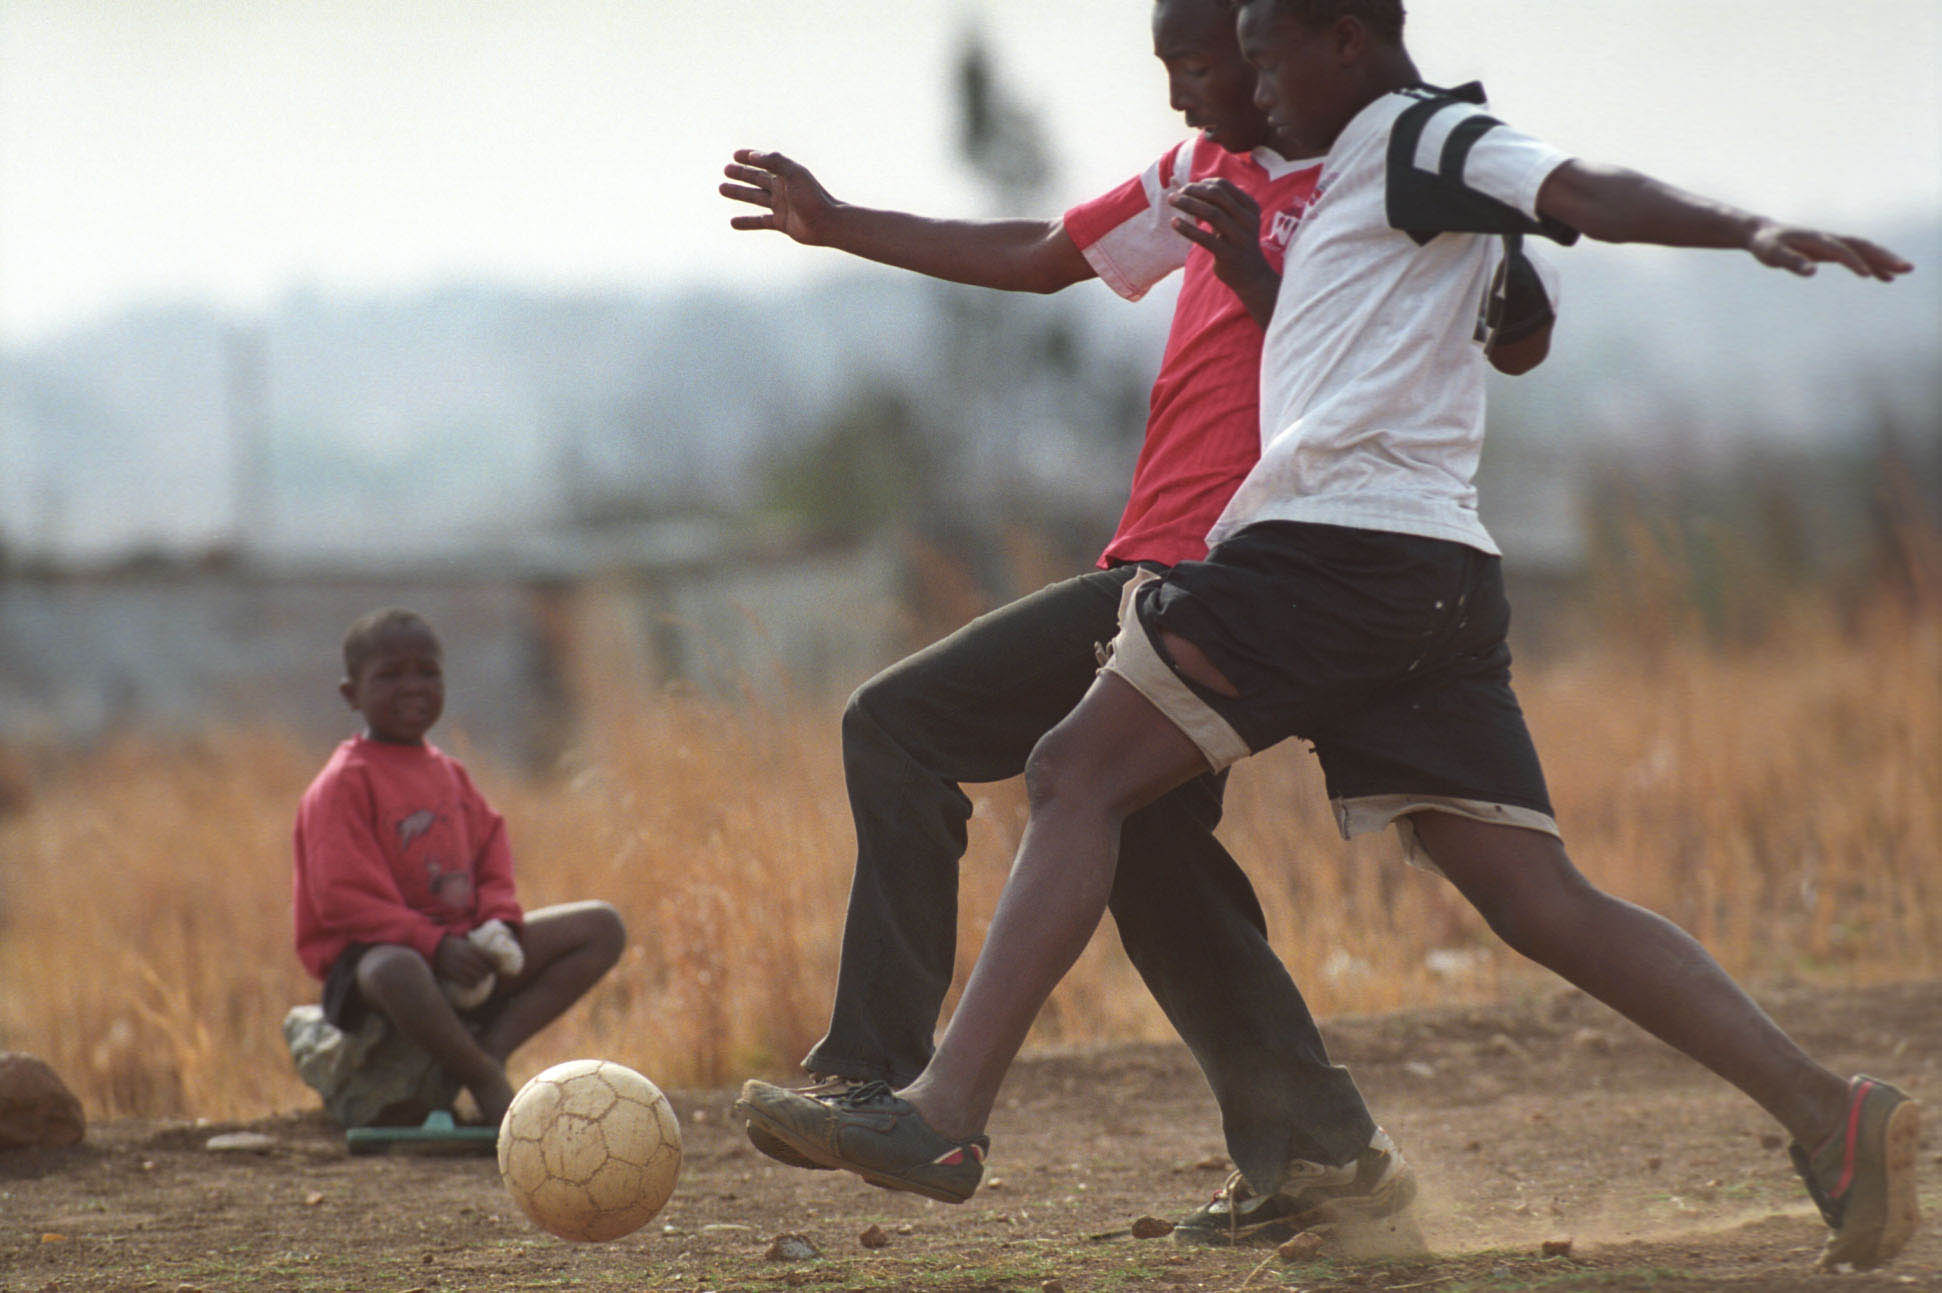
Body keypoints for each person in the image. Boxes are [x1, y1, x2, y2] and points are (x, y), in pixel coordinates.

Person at [734, 0, 1922, 1272]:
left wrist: (1747, 228)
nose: (1232, 85)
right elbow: (1422, 298)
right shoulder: (1328, 165)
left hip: (1321, 556)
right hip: (1427, 576)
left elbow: (1577, 205)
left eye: (1251, 57)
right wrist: (1250, 274)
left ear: (1342, 38)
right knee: (1531, 895)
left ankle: (941, 1117)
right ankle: (1823, 1113)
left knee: (1077, 775)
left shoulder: (1425, 138)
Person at [720, 0, 1555, 1245]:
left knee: (902, 724)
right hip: (1160, 562)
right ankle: (1322, 1156)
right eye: (1173, 65)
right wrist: (841, 226)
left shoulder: (1376, 174)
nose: (1187, 92)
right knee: (1152, 859)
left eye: (1208, 63)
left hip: (1238, 572)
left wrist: (1308, 277)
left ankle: (880, 1081)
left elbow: (1496, 335)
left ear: (1285, 53)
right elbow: (1045, 252)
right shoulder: (1206, 167)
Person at [292, 607, 626, 1125]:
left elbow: (493, 850)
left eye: (428, 672)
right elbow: (342, 898)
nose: (413, 687)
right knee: (393, 965)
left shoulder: (450, 775)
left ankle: (489, 1050)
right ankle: (484, 1080)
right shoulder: (342, 783)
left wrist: (496, 926)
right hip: (376, 973)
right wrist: (433, 945)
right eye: (390, 675)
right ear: (350, 694)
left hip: (466, 953)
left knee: (601, 926)